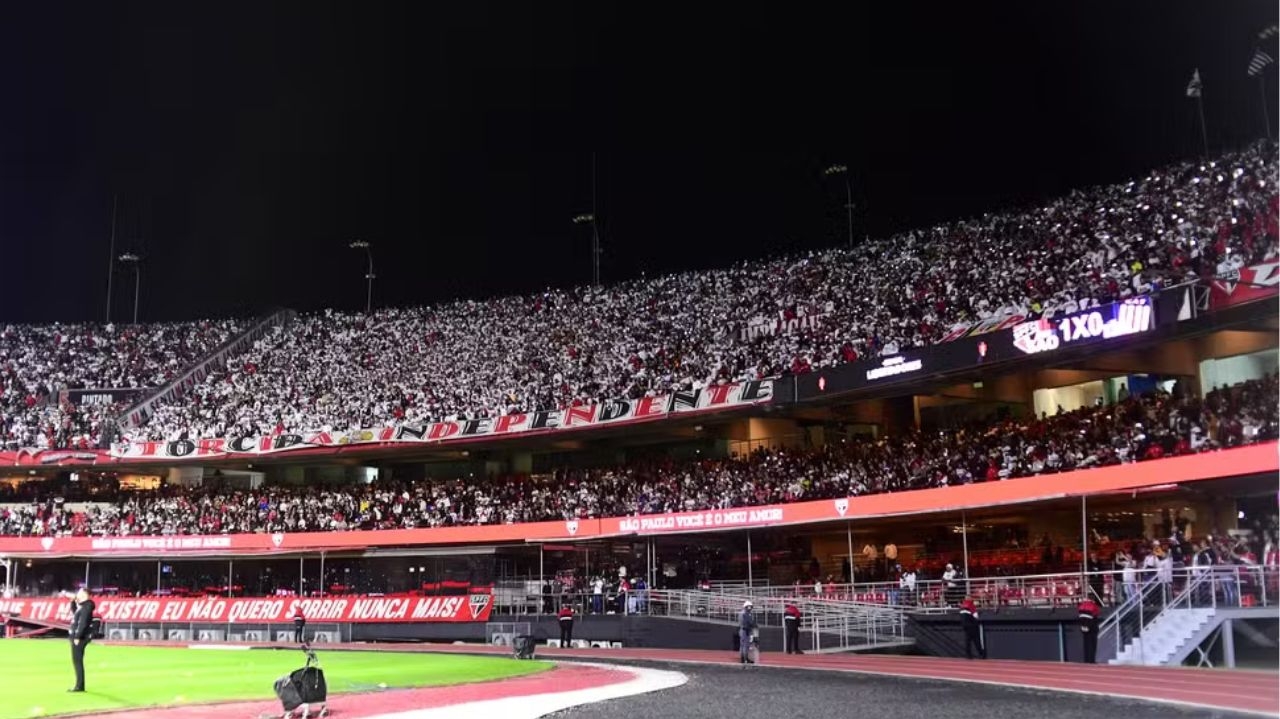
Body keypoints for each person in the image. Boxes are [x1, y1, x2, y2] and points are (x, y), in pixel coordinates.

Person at [67, 588, 96, 692]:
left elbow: (83, 623)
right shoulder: (83, 606)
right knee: (77, 661)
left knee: (77, 661)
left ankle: (79, 686)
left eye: (79, 592)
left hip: (80, 638)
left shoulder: (86, 607)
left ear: (84, 594)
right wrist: (72, 602)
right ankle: (79, 685)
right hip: (78, 636)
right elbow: (75, 614)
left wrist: (77, 636)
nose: (77, 594)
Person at [1078, 597, 1100, 664]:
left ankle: (1086, 659)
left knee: (1086, 645)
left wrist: (1083, 626)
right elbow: (1096, 615)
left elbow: (1080, 616)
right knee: (1092, 645)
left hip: (1084, 627)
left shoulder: (1082, 606)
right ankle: (1091, 660)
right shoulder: (1093, 606)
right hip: (1092, 628)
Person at [738, 600, 758, 665]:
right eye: (749, 607)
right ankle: (745, 658)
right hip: (745, 630)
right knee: (745, 645)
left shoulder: (743, 613)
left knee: (743, 645)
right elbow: (748, 622)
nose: (750, 608)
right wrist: (753, 625)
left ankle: (743, 658)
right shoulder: (745, 614)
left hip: (743, 630)